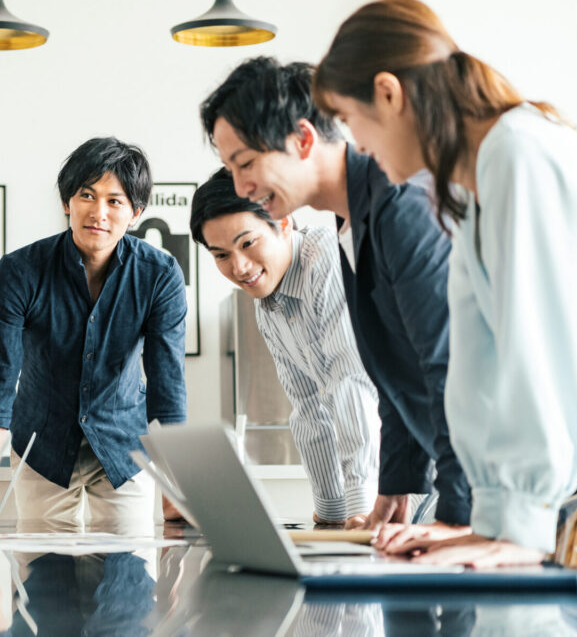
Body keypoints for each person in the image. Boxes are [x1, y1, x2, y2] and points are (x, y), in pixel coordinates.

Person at [313, 0, 577, 566]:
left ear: (389, 93)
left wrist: (518, 527)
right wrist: (485, 520)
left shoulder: (518, 152)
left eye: (351, 121)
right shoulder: (468, 187)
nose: (358, 146)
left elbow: (535, 352)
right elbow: (479, 369)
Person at [199, 57, 471, 534]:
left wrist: (455, 514)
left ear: (303, 139)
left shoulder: (399, 206)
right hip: (450, 483)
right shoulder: (352, 223)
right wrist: (391, 488)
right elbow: (395, 379)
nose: (241, 187)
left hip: (495, 486)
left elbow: (447, 368)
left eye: (245, 163)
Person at [0, 137, 187, 528]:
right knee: (43, 576)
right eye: (86, 195)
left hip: (125, 447)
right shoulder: (20, 271)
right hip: (42, 445)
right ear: (67, 202)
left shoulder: (159, 274)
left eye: (115, 201)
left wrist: (174, 498)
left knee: (129, 578)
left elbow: (167, 390)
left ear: (136, 213)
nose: (98, 212)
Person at [190, 170, 378, 526]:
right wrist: (330, 513)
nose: (240, 267)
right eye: (221, 255)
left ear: (284, 223)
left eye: (248, 243)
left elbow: (352, 382)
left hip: (415, 474)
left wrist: (360, 503)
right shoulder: (268, 305)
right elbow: (308, 408)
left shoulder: (325, 260)